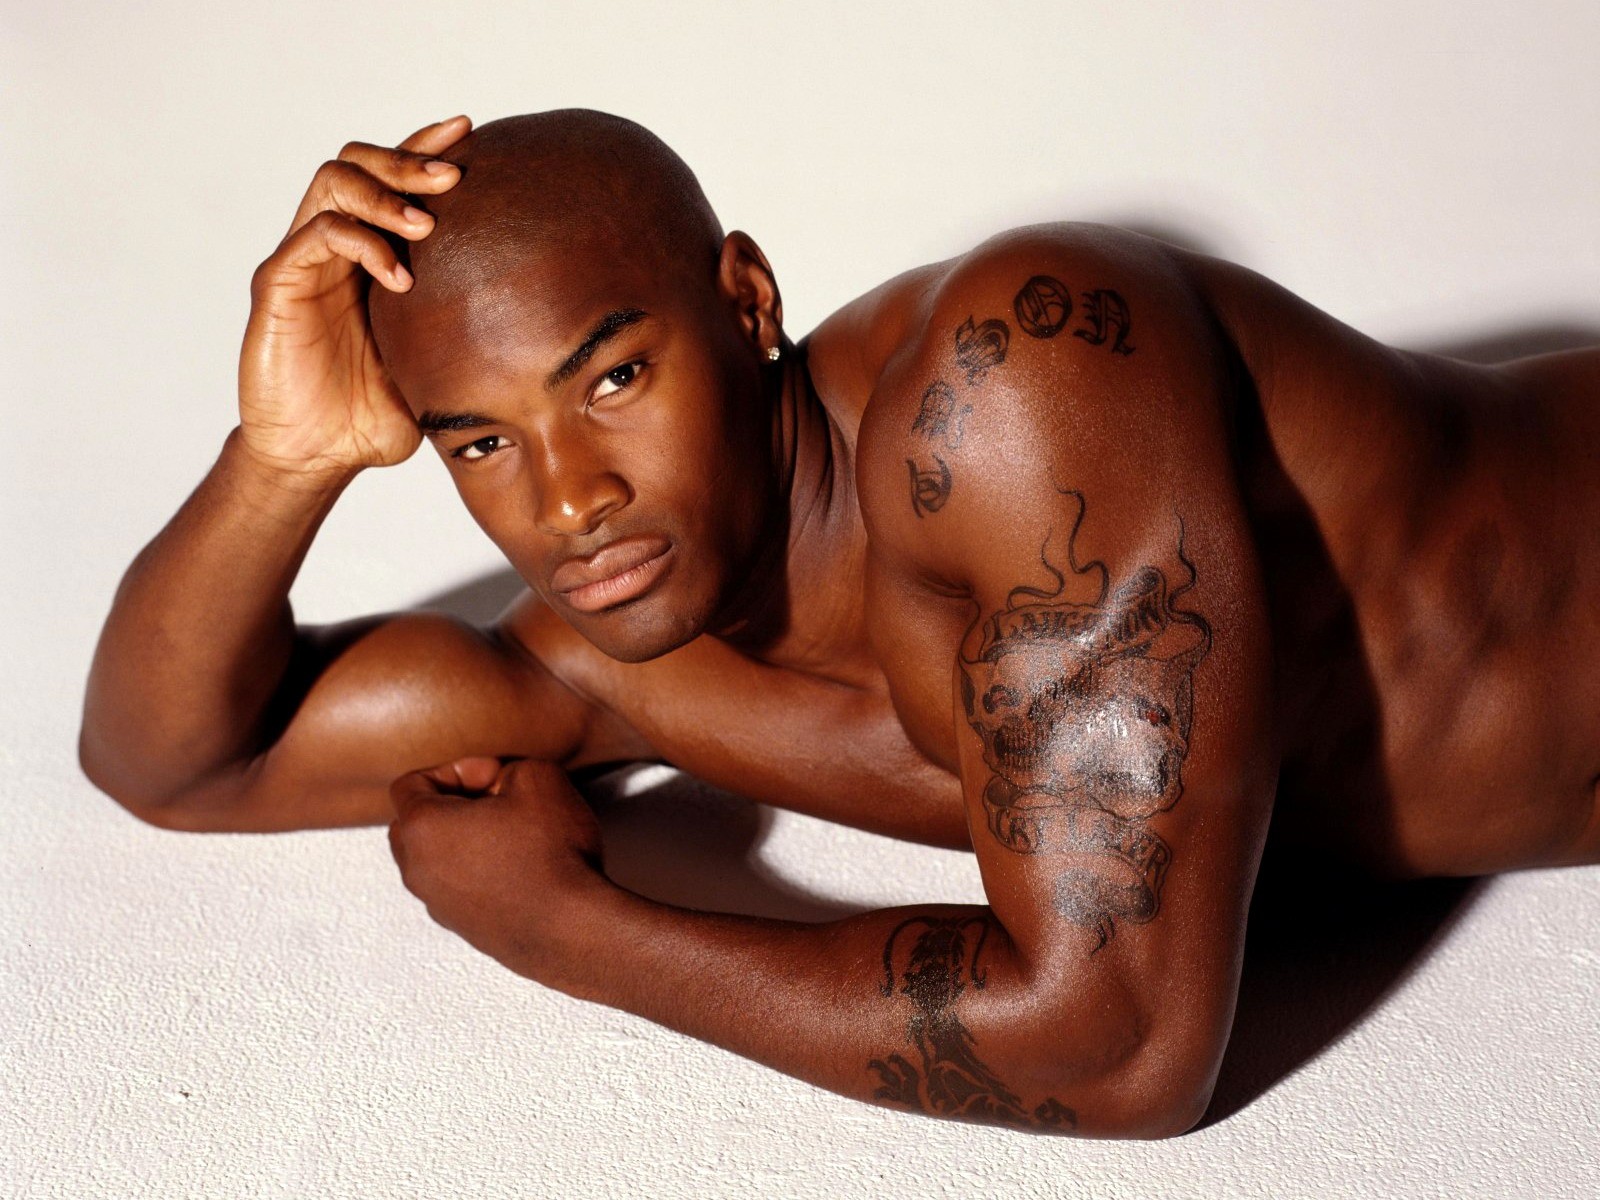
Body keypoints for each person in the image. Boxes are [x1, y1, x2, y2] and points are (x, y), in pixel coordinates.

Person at [79, 110, 1600, 1138]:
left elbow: (1125, 1046)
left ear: (746, 303)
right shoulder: (623, 657)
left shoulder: (1014, 389)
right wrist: (280, 461)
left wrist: (564, 928)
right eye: (479, 440)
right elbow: (176, 763)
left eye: (614, 379)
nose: (570, 500)